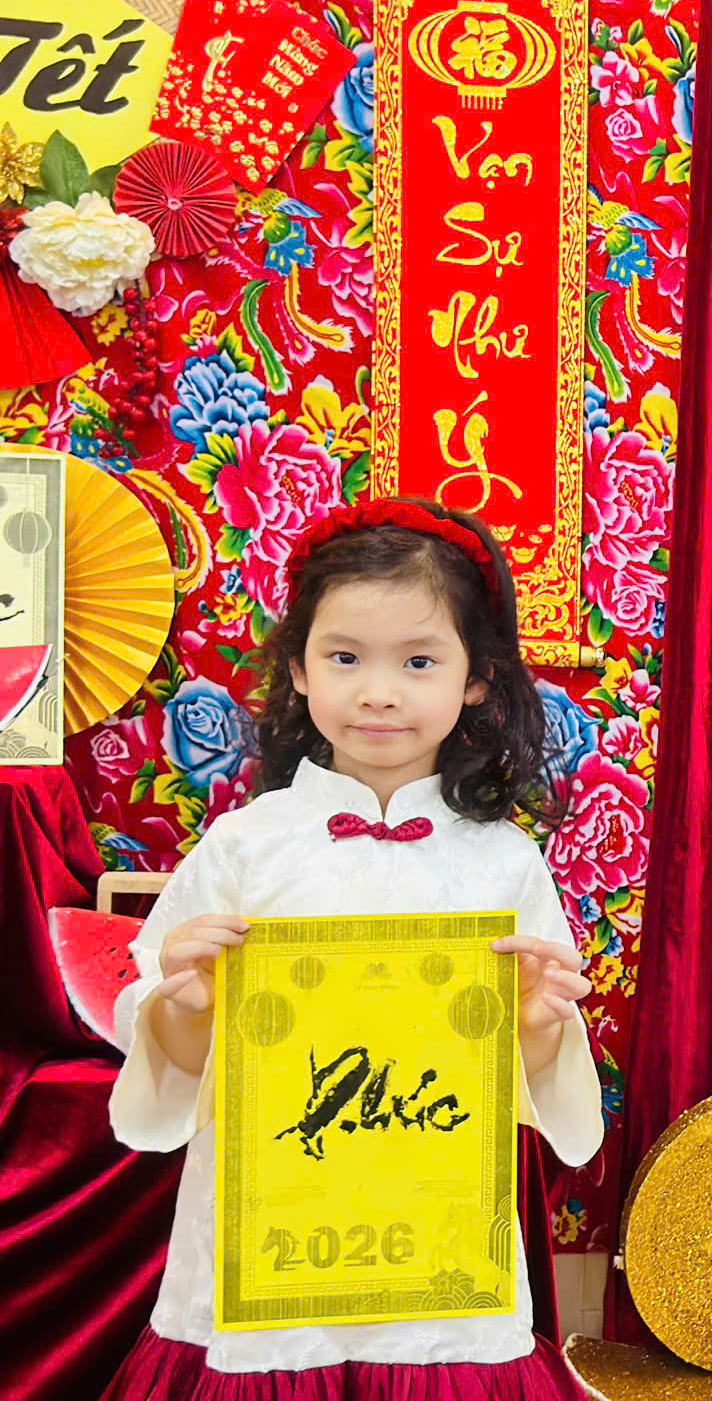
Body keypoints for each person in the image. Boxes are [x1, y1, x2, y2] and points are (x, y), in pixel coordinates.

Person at [100, 497, 599, 1399]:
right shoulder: (245, 847)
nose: (379, 691)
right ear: (298, 669)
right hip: (268, 1233)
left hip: (435, 1235)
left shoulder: (503, 863)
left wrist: (537, 1020)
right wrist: (185, 1006)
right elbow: (173, 1063)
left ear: (476, 678)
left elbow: (532, 1081)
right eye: (345, 658)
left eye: (419, 661)